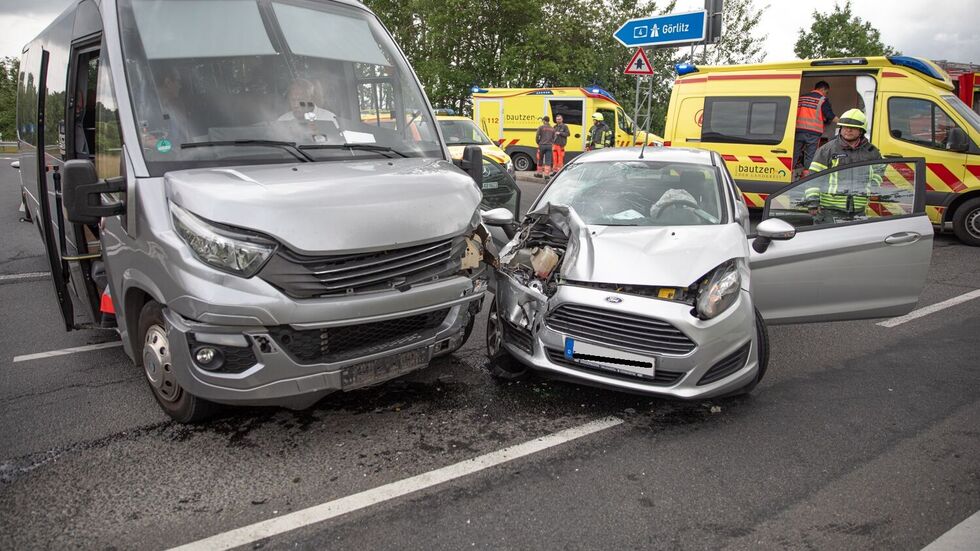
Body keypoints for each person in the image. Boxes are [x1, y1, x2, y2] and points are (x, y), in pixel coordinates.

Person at [805, 108, 883, 222]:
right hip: (829, 211)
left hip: (859, 210)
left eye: (853, 128)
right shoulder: (827, 150)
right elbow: (814, 178)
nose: (848, 130)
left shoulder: (872, 152)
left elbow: (879, 171)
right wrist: (813, 202)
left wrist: (872, 186)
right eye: (845, 127)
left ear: (861, 131)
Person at [793, 81, 837, 178]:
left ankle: (790, 172)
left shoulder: (801, 98)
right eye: (826, 92)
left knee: (795, 153)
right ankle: (807, 177)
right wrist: (843, 122)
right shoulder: (822, 99)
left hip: (798, 131)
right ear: (822, 89)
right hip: (813, 132)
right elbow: (830, 116)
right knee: (810, 155)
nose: (826, 94)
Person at [534, 115, 556, 179]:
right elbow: (554, 137)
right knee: (548, 160)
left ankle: (539, 173)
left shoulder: (541, 127)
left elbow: (537, 136)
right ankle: (546, 174)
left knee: (540, 159)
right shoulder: (552, 128)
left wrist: (538, 142)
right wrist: (551, 143)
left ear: (544, 121)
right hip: (549, 146)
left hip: (542, 145)